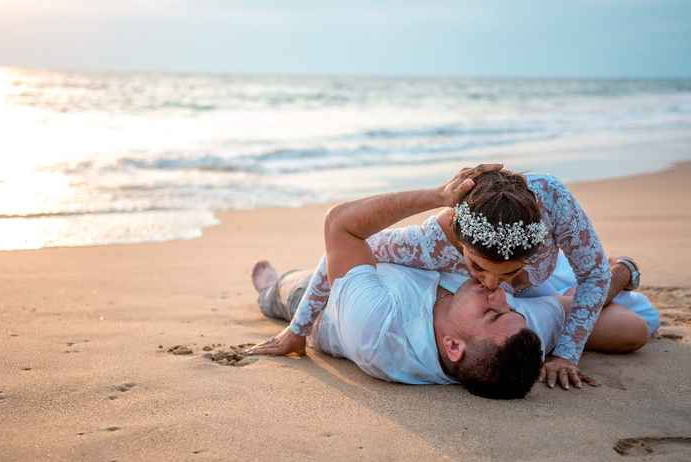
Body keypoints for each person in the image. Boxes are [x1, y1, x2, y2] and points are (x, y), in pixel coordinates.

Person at [261, 165, 659, 390]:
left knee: (585, 290)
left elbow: (590, 280)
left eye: (507, 274)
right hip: (357, 299)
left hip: (526, 281)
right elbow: (336, 249)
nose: (492, 286)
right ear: (459, 241)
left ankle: (614, 271)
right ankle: (272, 285)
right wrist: (298, 329)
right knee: (286, 290)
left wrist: (566, 353)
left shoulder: (554, 207)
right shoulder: (431, 243)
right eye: (478, 268)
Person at [249, 165, 547, 399]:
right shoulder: (509, 337)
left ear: (453, 346)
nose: (500, 295)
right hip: (397, 266)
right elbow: (568, 304)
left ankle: (269, 288)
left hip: (331, 301)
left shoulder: (378, 330)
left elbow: (339, 224)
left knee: (290, 286)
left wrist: (440, 196)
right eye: (513, 311)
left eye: (492, 313)